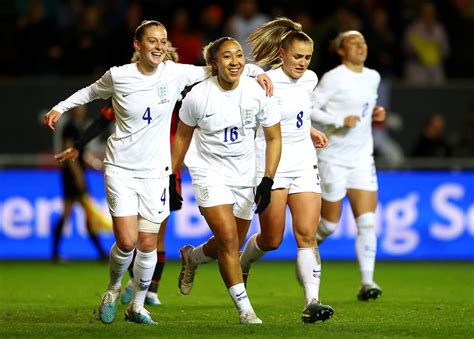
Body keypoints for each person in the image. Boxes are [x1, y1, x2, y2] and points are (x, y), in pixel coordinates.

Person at [43, 20, 272, 325]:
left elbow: (218, 67)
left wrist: (260, 73)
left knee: (148, 244)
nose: (159, 46)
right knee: (126, 241)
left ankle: (137, 306)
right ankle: (112, 289)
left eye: (163, 41)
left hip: (157, 171)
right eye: (152, 41)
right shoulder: (119, 76)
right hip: (121, 167)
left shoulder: (175, 72)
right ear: (137, 46)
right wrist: (60, 107)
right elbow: (90, 93)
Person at [170, 36, 282, 324]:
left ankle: (192, 258)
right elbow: (182, 137)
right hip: (209, 174)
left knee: (227, 245)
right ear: (213, 63)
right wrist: (172, 175)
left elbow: (273, 137)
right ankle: (246, 311)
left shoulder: (257, 92)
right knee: (230, 242)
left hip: (245, 176)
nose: (235, 62)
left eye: (239, 56)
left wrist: (268, 180)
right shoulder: (198, 96)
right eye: (227, 57)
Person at [236, 18, 334, 324]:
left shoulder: (311, 79)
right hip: (271, 164)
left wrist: (310, 130)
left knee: (307, 233)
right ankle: (243, 264)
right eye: (297, 57)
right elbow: (259, 123)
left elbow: (297, 116)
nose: (303, 63)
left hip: (304, 162)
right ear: (282, 53)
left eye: (307, 57)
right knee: (272, 239)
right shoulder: (264, 82)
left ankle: (312, 302)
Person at [311, 30, 386, 301]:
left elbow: (367, 108)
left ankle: (367, 283)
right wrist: (340, 120)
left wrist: (376, 113)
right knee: (329, 225)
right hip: (333, 158)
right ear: (341, 50)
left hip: (362, 159)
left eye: (363, 42)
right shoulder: (333, 78)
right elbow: (308, 108)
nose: (360, 46)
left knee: (366, 222)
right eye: (353, 42)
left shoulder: (373, 77)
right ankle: (308, 253)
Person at [52, 105, 108, 262]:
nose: (81, 109)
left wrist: (98, 166)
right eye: (78, 107)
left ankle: (55, 252)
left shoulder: (79, 126)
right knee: (81, 213)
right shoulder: (70, 127)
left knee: (72, 212)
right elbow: (69, 153)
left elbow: (82, 154)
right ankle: (101, 253)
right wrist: (78, 176)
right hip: (73, 176)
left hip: (76, 175)